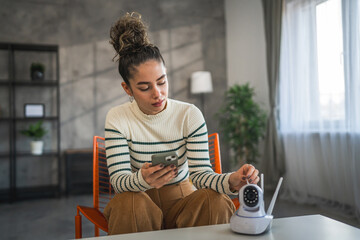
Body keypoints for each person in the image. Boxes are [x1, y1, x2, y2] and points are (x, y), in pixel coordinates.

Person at [103, 12, 260, 235]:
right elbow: (119, 181)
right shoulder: (118, 117)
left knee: (214, 199)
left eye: (162, 81)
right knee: (129, 202)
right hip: (140, 203)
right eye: (145, 87)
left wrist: (232, 181)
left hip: (184, 202)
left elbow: (200, 175)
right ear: (127, 89)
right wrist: (142, 179)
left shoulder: (189, 114)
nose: (158, 94)